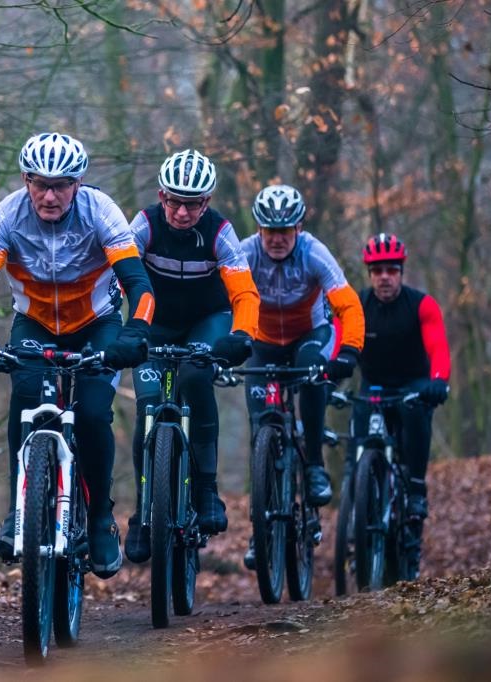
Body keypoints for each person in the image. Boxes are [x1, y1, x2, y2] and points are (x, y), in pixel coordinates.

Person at [0, 132, 155, 579]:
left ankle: (100, 519)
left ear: (77, 184)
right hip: (35, 323)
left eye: (61, 185)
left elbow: (140, 288)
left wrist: (134, 333)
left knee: (93, 413)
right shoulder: (6, 216)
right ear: (25, 180)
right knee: (25, 399)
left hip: (98, 323)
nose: (49, 196)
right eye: (40, 184)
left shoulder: (101, 212)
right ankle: (17, 511)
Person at [123, 149, 260, 563]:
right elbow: (115, 277)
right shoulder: (143, 225)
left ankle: (206, 490)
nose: (182, 212)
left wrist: (242, 334)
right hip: (154, 322)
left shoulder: (220, 233)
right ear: (161, 196)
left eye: (193, 203)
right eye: (174, 201)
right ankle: (142, 514)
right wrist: (117, 330)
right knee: (148, 405)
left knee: (197, 379)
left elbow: (244, 292)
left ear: (207, 201)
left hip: (207, 320)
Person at [239, 184, 365, 569]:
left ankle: (314, 467)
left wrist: (349, 351)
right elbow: (220, 299)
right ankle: (259, 529)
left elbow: (348, 305)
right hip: (262, 341)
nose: (277, 239)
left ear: (298, 228)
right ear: (259, 229)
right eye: (270, 231)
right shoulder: (245, 253)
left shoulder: (314, 253)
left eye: (285, 231)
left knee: (313, 379)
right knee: (259, 427)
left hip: (308, 336)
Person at [354, 233, 450, 576]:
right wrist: (329, 373)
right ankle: (356, 510)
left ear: (401, 272)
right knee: (358, 440)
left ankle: (416, 489)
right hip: (373, 385)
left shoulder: (421, 305)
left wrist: (438, 380)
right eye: (377, 271)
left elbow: (438, 347)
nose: (385, 277)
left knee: (414, 414)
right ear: (369, 273)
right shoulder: (358, 305)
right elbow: (339, 343)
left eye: (391, 270)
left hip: (413, 384)